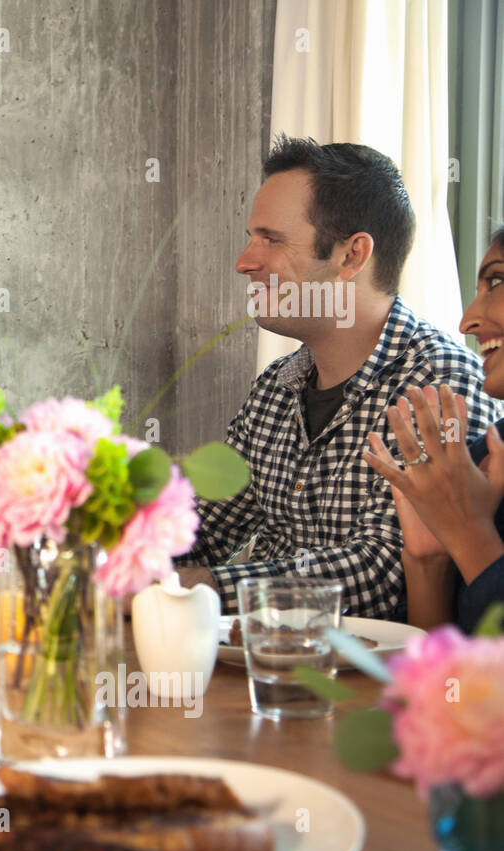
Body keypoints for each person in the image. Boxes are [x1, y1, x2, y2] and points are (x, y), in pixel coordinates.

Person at [176, 137, 500, 619]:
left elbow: (383, 569)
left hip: (367, 686)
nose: (245, 261)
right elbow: (203, 528)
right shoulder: (274, 389)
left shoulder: (439, 380)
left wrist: (206, 587)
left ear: (352, 256)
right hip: (261, 669)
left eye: (271, 239)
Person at [364, 227, 504, 632]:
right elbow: (444, 682)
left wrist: (469, 534)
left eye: (496, 282)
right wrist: (428, 560)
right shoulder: (479, 461)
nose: (467, 322)